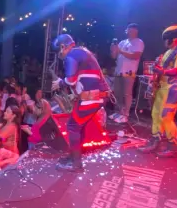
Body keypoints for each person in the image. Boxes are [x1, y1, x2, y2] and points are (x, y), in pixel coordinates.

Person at [50, 34, 110, 172]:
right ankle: (74, 157)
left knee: (73, 126)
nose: (59, 55)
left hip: (92, 97)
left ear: (63, 46)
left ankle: (76, 163)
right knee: (77, 126)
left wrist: (60, 82)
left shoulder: (72, 55)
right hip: (94, 96)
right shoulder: (81, 52)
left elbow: (71, 80)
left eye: (59, 51)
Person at [138, 25, 177, 158]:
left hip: (175, 88)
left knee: (166, 116)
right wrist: (157, 68)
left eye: (166, 40)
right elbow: (163, 69)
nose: (164, 43)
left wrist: (161, 70)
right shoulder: (169, 51)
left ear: (172, 39)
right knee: (156, 114)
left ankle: (172, 145)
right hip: (163, 87)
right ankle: (155, 140)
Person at [109, 23, 145, 124]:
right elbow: (114, 57)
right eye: (128, 30)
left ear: (136, 31)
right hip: (118, 71)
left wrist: (120, 51)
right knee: (117, 93)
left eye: (131, 30)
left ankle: (125, 114)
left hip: (129, 72)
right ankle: (118, 112)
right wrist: (113, 49)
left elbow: (135, 56)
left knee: (127, 93)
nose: (129, 32)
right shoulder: (122, 42)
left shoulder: (138, 42)